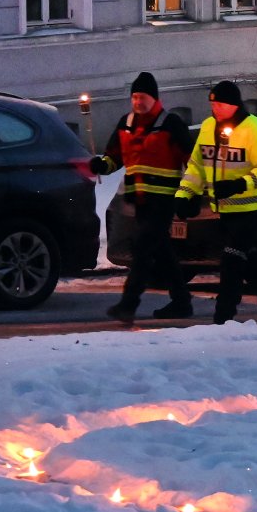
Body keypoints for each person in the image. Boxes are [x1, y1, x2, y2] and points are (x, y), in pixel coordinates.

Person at [175, 80, 257, 324]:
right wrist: (184, 195)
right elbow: (197, 166)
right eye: (212, 104)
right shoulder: (208, 127)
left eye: (220, 104)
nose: (215, 109)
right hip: (226, 211)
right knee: (249, 264)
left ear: (234, 105)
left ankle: (223, 319)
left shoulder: (256, 129)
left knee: (231, 260)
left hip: (254, 211)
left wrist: (239, 184)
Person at [92, 71, 194, 323]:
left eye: (143, 97)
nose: (138, 102)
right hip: (139, 202)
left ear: (154, 98)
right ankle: (182, 302)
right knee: (162, 251)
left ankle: (128, 305)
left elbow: (192, 161)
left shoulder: (170, 123)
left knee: (142, 248)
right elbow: (114, 157)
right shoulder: (126, 124)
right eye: (134, 97)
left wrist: (191, 192)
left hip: (164, 201)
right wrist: (101, 165)